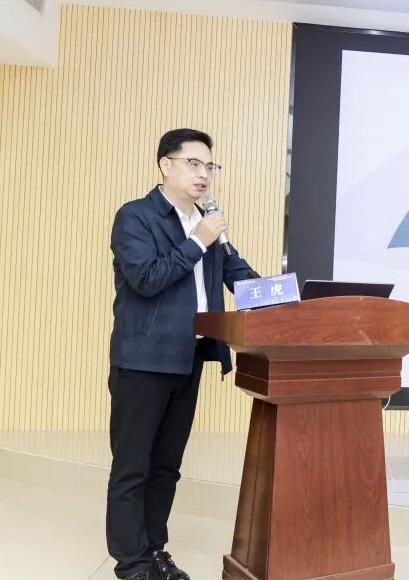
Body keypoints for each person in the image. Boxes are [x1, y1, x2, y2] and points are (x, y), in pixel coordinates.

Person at [106, 129, 259, 580]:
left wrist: (287, 299)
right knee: (133, 467)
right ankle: (131, 564)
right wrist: (198, 241)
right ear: (165, 165)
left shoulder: (207, 221)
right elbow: (146, 278)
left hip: (188, 358)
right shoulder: (135, 216)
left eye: (210, 166)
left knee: (166, 467)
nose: (203, 174)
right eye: (193, 163)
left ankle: (154, 551)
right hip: (143, 360)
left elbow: (240, 277)